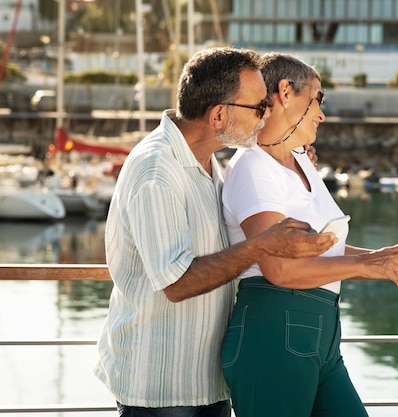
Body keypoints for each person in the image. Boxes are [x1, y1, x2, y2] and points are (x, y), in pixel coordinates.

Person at [93, 47, 336, 417]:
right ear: (219, 114)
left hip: (206, 383)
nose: (266, 115)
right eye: (258, 108)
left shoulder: (208, 163)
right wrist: (262, 245)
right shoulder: (157, 172)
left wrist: (292, 156)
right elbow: (177, 282)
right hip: (160, 389)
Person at [220, 52, 398, 417]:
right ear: (285, 92)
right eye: (318, 97)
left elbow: (319, 246)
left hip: (321, 334)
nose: (322, 112)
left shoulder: (301, 161)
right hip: (273, 328)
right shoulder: (255, 168)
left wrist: (383, 256)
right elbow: (279, 269)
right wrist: (366, 265)